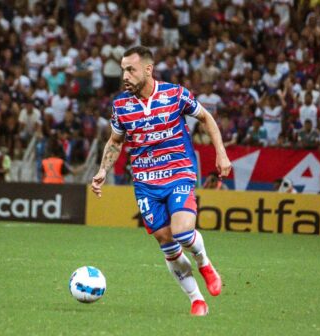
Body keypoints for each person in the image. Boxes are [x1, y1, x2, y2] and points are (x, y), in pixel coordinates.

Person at [91, 46, 231, 316]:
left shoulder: (175, 94)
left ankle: (204, 262)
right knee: (165, 241)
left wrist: (221, 154)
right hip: (145, 182)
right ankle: (196, 299)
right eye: (123, 70)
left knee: (182, 232)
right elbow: (115, 141)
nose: (125, 76)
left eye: (130, 69)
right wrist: (102, 170)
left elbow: (206, 117)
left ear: (148, 69)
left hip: (178, 172)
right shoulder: (121, 106)